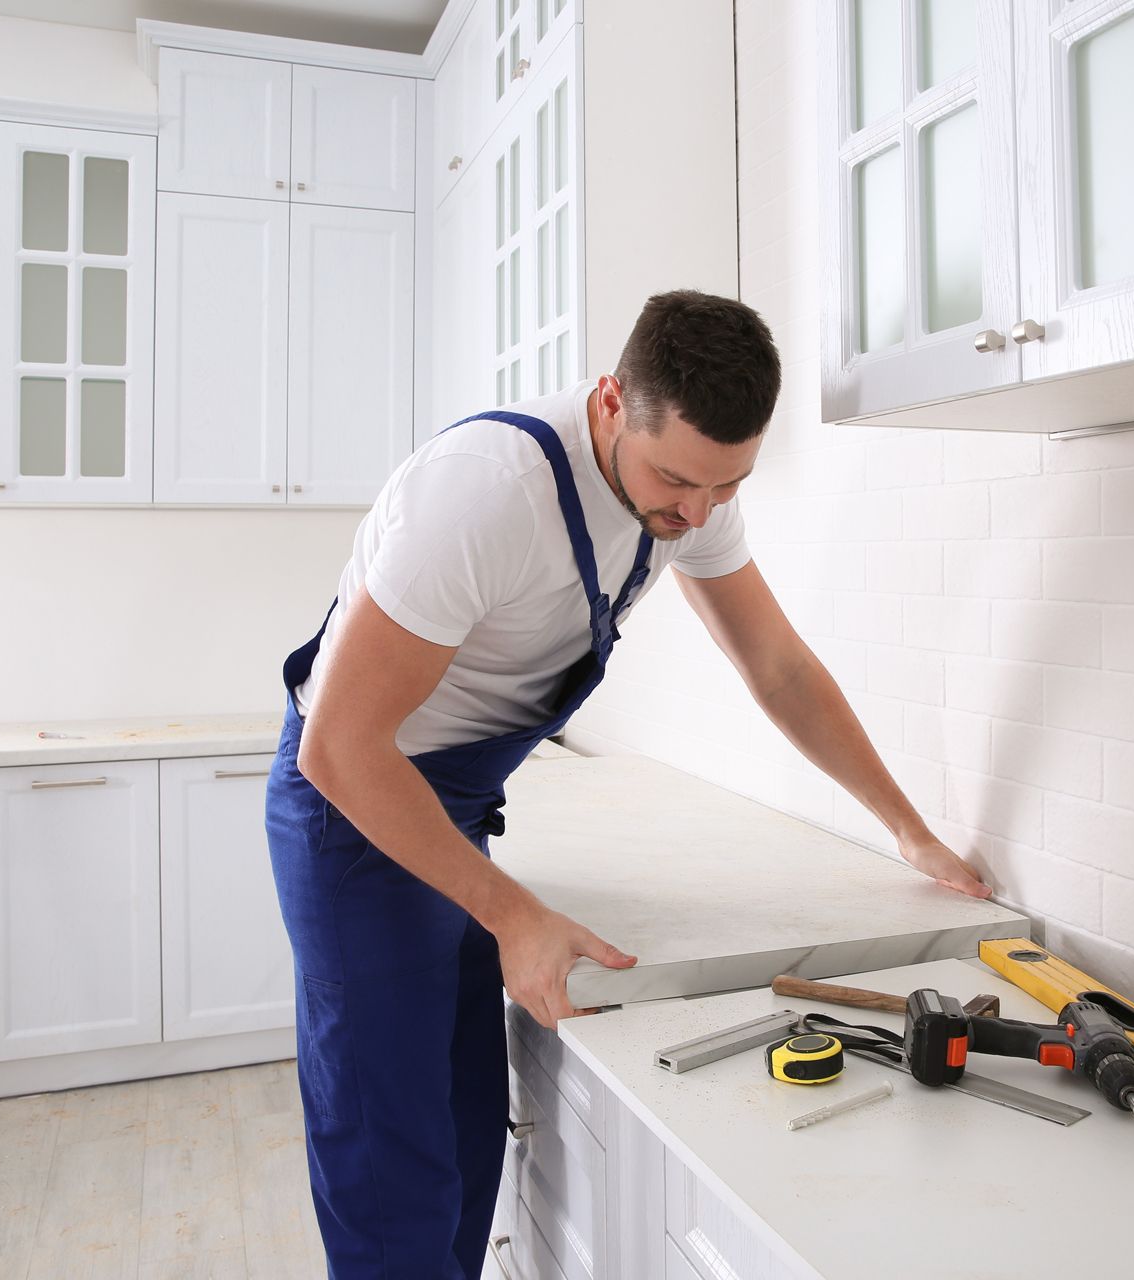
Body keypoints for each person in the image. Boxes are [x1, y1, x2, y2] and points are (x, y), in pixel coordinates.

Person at [263, 289, 990, 1277]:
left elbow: (777, 666)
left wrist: (907, 829)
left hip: (454, 809)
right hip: (356, 814)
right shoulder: (484, 492)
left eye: (727, 488)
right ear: (612, 401)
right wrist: (514, 915)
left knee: (469, 1115)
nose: (695, 514)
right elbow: (341, 748)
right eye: (678, 480)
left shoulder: (686, 496)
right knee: (392, 1152)